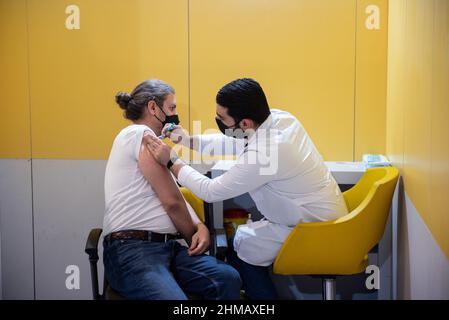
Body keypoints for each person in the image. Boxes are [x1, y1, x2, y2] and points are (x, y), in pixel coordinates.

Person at [145, 78, 349, 300]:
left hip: (312, 228)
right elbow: (233, 142)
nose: (218, 122)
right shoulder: (279, 119)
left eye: (222, 118)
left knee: (239, 247)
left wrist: (172, 161)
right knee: (235, 244)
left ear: (245, 123)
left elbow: (210, 191)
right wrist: (186, 139)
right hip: (325, 215)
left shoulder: (266, 152)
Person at [102, 79, 241, 300]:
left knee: (226, 278)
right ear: (153, 107)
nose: (175, 114)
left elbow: (175, 195)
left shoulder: (153, 143)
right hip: (133, 249)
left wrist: (200, 226)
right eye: (172, 107)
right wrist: (193, 237)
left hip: (167, 248)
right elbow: (172, 202)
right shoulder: (140, 134)